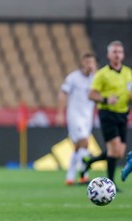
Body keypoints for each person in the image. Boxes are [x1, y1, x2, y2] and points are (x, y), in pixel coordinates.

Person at [87, 40, 132, 185]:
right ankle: (110, 184)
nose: (117, 55)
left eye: (119, 52)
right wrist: (106, 99)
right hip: (107, 114)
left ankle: (90, 161)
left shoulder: (128, 73)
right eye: (114, 52)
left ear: (123, 55)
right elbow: (91, 94)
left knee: (119, 152)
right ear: (108, 55)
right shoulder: (102, 74)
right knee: (114, 149)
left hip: (123, 113)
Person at [56, 53, 97, 185]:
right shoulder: (73, 77)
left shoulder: (96, 78)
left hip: (88, 116)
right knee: (84, 141)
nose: (89, 65)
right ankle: (84, 175)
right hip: (74, 115)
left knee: (78, 147)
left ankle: (70, 176)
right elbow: (63, 93)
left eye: (92, 62)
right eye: (87, 62)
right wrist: (60, 113)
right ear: (83, 63)